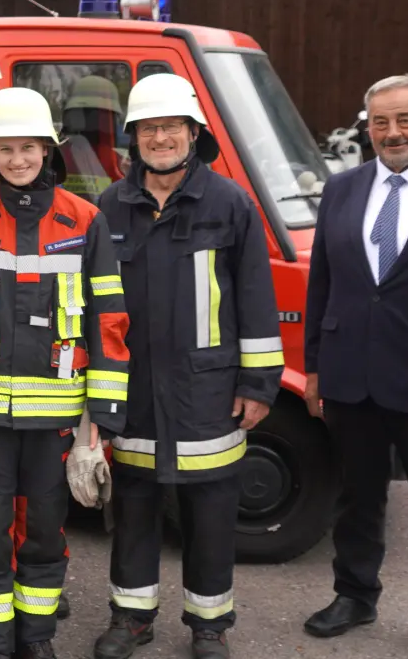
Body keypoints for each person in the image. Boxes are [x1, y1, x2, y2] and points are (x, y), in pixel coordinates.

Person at [91, 74, 282, 659]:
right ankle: (132, 617)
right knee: (136, 507)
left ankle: (209, 625)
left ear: (193, 133)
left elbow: (255, 295)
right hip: (137, 389)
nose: (161, 138)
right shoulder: (111, 207)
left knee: (212, 512)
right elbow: (97, 307)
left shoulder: (230, 203)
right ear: (134, 138)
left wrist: (258, 383)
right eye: (150, 128)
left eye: (172, 127)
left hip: (209, 389)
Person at [0, 87, 130, 659]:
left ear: (49, 151)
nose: (18, 159)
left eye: (29, 147)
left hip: (56, 418)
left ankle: (37, 640)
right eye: (6, 149)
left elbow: (109, 321)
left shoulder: (86, 220)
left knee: (45, 532)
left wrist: (100, 420)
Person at [301, 74, 408, 659]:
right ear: (366, 126)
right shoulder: (344, 189)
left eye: (404, 120)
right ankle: (354, 594)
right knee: (357, 496)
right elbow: (322, 282)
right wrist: (316, 368)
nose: (392, 132)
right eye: (380, 122)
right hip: (352, 373)